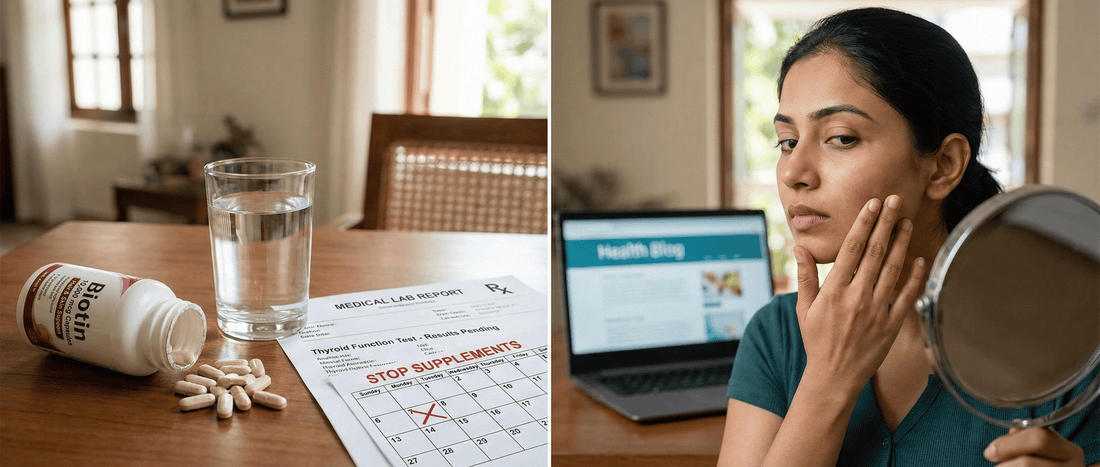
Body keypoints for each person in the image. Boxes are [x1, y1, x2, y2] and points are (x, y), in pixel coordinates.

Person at [717, 7, 1098, 467]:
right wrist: (830, 378)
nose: (794, 172)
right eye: (787, 141)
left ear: (943, 165)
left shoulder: (1068, 351)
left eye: (840, 137)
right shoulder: (776, 336)